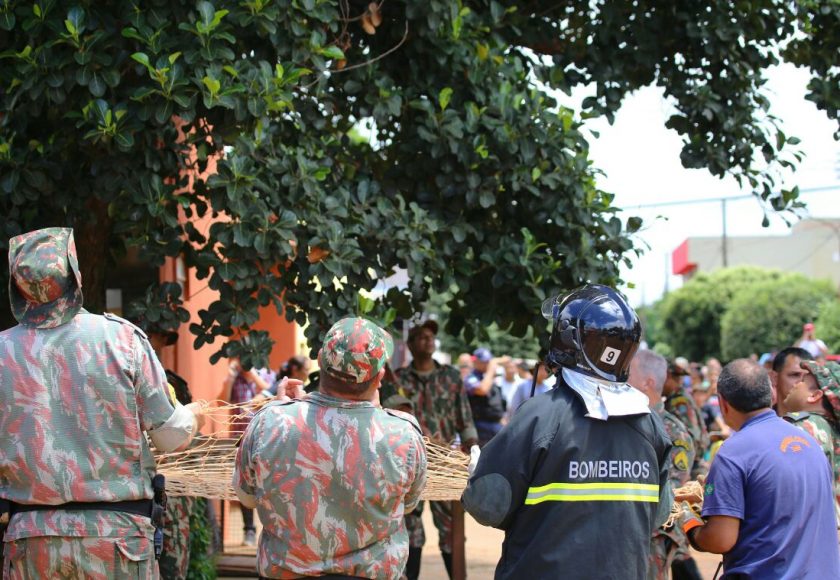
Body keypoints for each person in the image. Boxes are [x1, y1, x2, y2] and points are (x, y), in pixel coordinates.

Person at [0, 227, 205, 578]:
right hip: (118, 540)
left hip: (31, 542)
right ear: (74, 275)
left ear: (17, 284)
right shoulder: (122, 339)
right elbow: (172, 437)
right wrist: (194, 416)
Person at [462, 284, 672, 579]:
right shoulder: (651, 425)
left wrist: (476, 471)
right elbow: (660, 515)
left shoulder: (539, 416)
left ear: (566, 339)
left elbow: (486, 506)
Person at [233, 317, 427, 579]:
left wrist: (285, 416)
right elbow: (408, 504)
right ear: (379, 376)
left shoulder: (270, 422)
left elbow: (247, 497)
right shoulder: (402, 434)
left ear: (321, 359)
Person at [678, 360, 840, 577]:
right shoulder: (809, 442)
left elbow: (720, 539)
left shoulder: (733, 452)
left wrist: (689, 523)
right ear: (772, 395)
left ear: (723, 404)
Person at [380, 319, 478, 579]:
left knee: (451, 529)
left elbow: (464, 419)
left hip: (444, 464)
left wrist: (472, 450)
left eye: (431, 337)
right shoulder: (398, 380)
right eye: (421, 337)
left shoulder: (451, 377)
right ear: (410, 345)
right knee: (410, 529)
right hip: (408, 464)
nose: (428, 341)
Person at [628, 350, 696, 580]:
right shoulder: (623, 423)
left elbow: (669, 491)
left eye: (628, 373)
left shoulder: (672, 432)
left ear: (648, 383)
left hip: (650, 539)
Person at [220, 356, 270, 546]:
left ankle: (269, 529)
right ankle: (249, 530)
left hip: (264, 441)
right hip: (240, 441)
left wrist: (252, 375)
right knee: (244, 484)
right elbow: (222, 402)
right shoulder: (235, 380)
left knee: (265, 486)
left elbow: (268, 390)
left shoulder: (267, 373)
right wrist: (231, 376)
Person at [784, 360, 840, 524]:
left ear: (815, 396)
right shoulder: (831, 429)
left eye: (802, 380)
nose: (796, 383)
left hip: (813, 534)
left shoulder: (804, 427)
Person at [664, 359, 709, 479]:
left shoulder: (679, 402)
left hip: (691, 469)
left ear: (668, 377)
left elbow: (691, 436)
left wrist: (683, 468)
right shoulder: (678, 398)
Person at [465, 347, 507, 446]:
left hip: (496, 425)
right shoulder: (471, 377)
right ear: (475, 362)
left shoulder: (488, 378)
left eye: (488, 361)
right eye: (484, 362)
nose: (487, 364)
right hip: (480, 425)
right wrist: (491, 370)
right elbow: (482, 390)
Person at [771, 346, 812, 416]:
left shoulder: (823, 424)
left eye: (807, 377)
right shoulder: (759, 422)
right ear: (775, 378)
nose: (802, 382)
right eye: (795, 375)